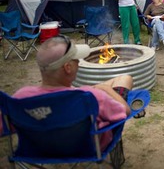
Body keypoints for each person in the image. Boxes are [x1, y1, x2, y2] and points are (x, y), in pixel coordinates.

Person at [0, 35, 138, 151]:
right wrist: (104, 89)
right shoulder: (89, 96)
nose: (78, 62)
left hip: (39, 149)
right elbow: (124, 111)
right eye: (76, 60)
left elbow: (4, 128)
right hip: (87, 146)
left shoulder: (21, 98)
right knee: (125, 80)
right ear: (68, 67)